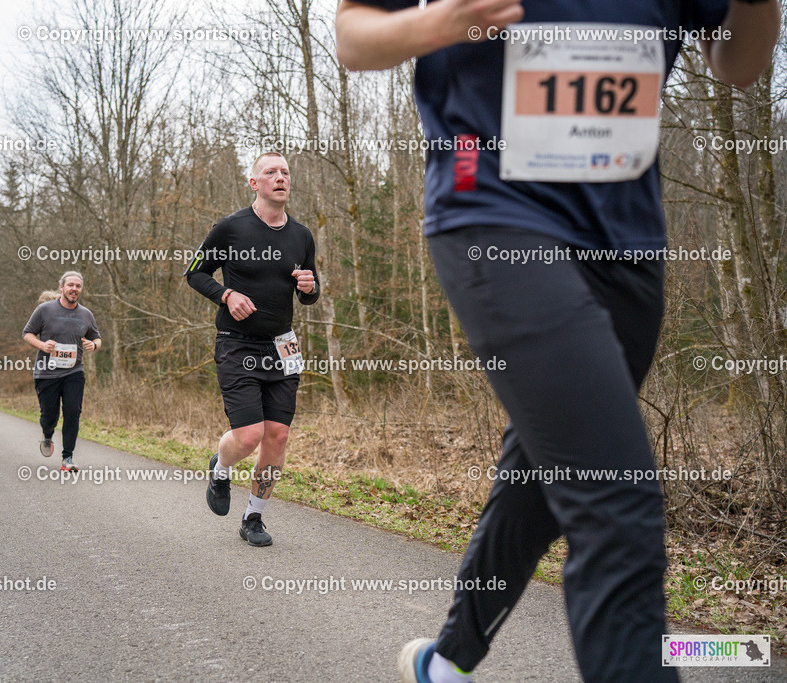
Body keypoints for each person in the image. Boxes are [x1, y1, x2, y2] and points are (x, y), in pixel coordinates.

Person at [335, 1, 779, 681]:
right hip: (490, 205)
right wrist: (444, 23)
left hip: (625, 241)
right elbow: (353, 35)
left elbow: (739, 64)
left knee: (541, 470)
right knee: (617, 499)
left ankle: (447, 659)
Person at [185, 151, 320, 547]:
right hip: (236, 344)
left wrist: (310, 289)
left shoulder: (302, 235)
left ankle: (253, 518)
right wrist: (226, 294)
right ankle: (220, 468)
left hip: (283, 346)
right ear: (254, 183)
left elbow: (309, 293)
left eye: (285, 172)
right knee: (248, 436)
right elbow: (195, 272)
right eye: (271, 172)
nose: (280, 178)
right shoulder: (230, 228)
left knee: (276, 435)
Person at [22, 272, 102, 472]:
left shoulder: (86, 314)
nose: (74, 289)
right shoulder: (44, 310)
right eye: (71, 285)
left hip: (74, 372)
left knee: (73, 412)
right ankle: (47, 434)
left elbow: (97, 338)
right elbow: (27, 333)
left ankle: (68, 458)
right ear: (61, 287)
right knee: (50, 416)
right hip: (46, 373)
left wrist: (94, 345)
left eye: (78, 286)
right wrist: (42, 345)